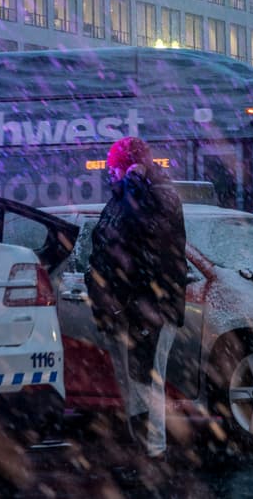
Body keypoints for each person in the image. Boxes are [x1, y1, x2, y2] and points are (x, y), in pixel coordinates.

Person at [86, 137, 187, 459]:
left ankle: (153, 451)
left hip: (150, 306)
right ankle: (140, 448)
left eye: (115, 167)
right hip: (126, 307)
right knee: (132, 381)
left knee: (147, 380)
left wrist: (134, 182)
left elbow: (146, 234)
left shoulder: (157, 196)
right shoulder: (123, 198)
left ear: (128, 165)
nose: (111, 174)